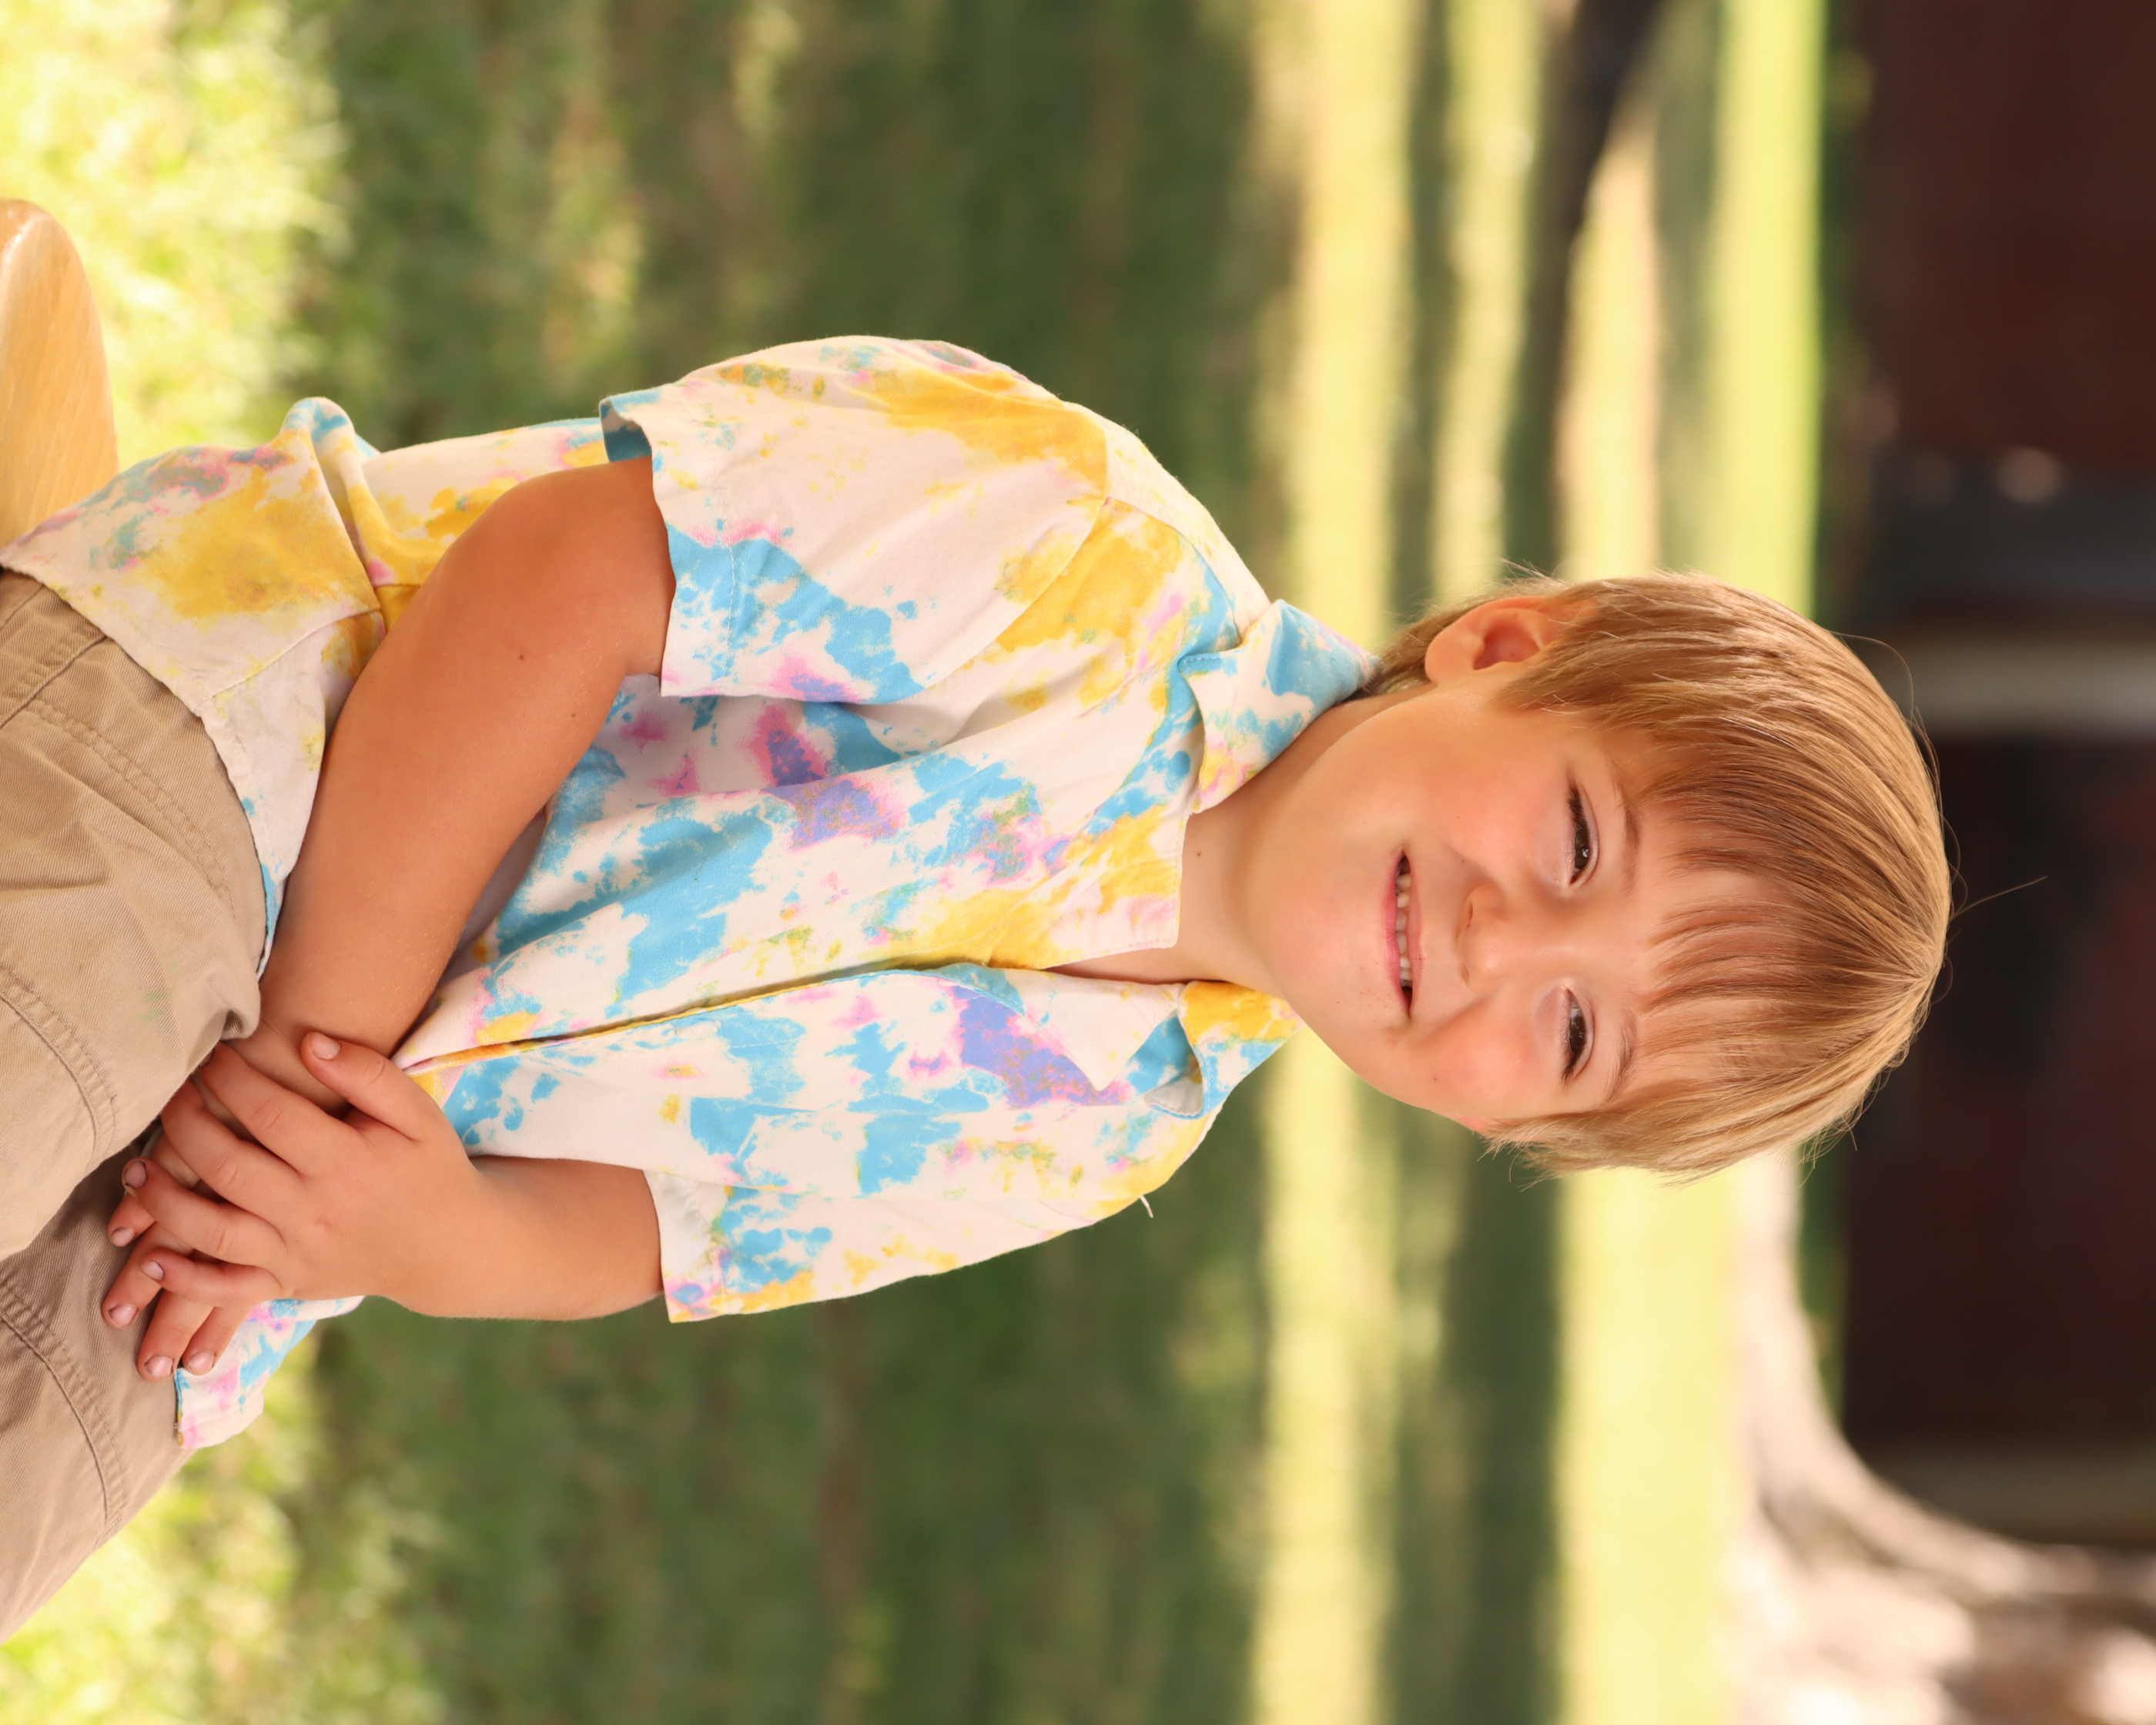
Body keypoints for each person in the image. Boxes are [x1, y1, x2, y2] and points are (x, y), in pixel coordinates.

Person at [0, 336, 1948, 1634]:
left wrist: (424, 1231)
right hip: (224, 751)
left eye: (1574, 1033)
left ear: (1515, 1128)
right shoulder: (1080, 563)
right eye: (1578, 838)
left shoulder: (1104, 1121)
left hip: (271, 1180)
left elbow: (672, 1220)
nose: (1502, 941)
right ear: (1505, 649)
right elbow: (558, 577)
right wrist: (320, 1059)